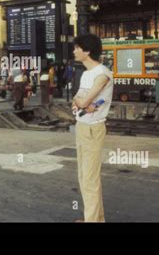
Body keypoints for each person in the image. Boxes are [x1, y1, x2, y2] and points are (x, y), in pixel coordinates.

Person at [71, 34, 113, 223]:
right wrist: (81, 103)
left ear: (87, 51)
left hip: (93, 129)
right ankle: (95, 218)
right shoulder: (87, 74)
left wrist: (83, 103)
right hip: (81, 126)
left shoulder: (102, 74)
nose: (74, 51)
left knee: (90, 179)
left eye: (77, 47)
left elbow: (85, 100)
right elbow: (76, 99)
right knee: (84, 176)